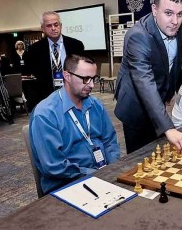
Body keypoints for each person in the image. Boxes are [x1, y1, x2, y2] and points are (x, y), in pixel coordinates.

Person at [114, 0, 182, 156]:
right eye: (169, 13)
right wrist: (168, 128)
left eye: (180, 14)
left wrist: (168, 92)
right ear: (154, 9)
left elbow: (171, 64)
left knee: (159, 155)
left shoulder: (175, 28)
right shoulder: (138, 36)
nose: (175, 21)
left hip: (159, 101)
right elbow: (143, 81)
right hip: (135, 107)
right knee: (140, 160)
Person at [29, 53, 120, 195]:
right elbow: (54, 166)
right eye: (85, 79)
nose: (91, 85)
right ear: (67, 76)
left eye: (93, 79)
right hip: (66, 184)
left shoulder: (95, 105)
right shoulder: (45, 114)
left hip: (102, 175)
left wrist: (112, 169)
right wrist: (95, 175)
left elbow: (109, 141)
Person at [27, 11, 85, 111]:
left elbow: (82, 72)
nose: (53, 28)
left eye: (56, 24)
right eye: (49, 25)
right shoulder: (34, 50)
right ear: (43, 28)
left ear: (61, 26)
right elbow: (32, 78)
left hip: (73, 94)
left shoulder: (76, 45)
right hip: (46, 97)